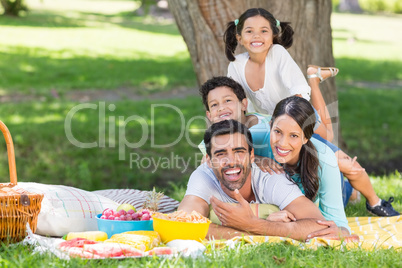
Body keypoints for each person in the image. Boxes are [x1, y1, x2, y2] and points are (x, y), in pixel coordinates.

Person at [223, 8, 399, 216]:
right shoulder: (236, 66)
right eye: (249, 31)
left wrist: (291, 124)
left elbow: (298, 90)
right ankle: (315, 78)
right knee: (320, 147)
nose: (257, 37)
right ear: (239, 37)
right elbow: (238, 105)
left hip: (299, 114)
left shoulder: (278, 54)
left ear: (273, 37)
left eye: (264, 31)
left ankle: (375, 201)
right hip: (274, 125)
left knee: (338, 157)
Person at [197, 76, 350, 237]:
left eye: (294, 136)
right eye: (277, 132)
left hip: (319, 197)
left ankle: (350, 190)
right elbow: (211, 163)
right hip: (284, 203)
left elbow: (336, 225)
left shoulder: (325, 161)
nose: (283, 143)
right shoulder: (255, 137)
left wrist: (339, 232)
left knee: (342, 193)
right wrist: (255, 158)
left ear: (306, 138)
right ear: (270, 125)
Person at [179, 119, 352, 241]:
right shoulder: (203, 176)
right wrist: (255, 230)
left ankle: (352, 191)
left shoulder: (271, 177)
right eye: (221, 153)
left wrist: (254, 224)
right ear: (208, 161)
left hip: (325, 186)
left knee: (344, 194)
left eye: (239, 151)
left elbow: (320, 226)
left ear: (252, 155)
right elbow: (185, 225)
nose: (231, 161)